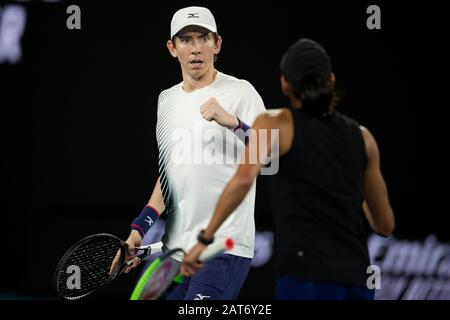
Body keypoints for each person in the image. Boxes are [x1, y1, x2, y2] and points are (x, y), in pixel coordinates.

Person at [181, 38, 395, 300]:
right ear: (331, 80)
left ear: (284, 83)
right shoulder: (364, 138)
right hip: (357, 281)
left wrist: (204, 240)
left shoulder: (274, 123)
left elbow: (242, 180)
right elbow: (384, 225)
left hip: (305, 278)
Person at [121, 6, 266, 300]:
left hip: (223, 246)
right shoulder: (167, 101)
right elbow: (168, 178)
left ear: (217, 44)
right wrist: (139, 229)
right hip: (175, 252)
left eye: (203, 38)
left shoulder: (241, 92)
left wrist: (235, 124)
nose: (196, 48)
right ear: (172, 48)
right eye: (186, 40)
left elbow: (271, 159)